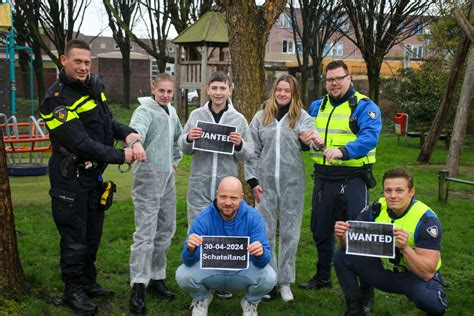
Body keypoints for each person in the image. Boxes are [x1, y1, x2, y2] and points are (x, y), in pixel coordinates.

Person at [39, 39, 145, 314]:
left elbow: (106, 122)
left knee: (92, 234)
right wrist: (120, 155)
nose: (84, 67)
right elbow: (80, 142)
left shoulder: (94, 87)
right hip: (69, 177)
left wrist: (128, 133)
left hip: (93, 175)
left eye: (87, 62)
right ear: (63, 60)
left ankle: (88, 282)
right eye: (78, 61)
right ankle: (73, 290)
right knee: (74, 237)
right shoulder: (56, 100)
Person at [299, 60, 382, 292]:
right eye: (329, 80)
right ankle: (323, 276)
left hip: (353, 178)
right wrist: (303, 141)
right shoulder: (316, 106)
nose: (334, 84)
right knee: (320, 229)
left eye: (339, 78)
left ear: (349, 79)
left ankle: (365, 288)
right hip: (324, 179)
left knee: (358, 233)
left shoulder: (365, 107)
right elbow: (305, 136)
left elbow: (369, 138)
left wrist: (343, 152)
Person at [245, 74, 323, 302]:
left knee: (290, 233)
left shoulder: (302, 117)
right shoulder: (261, 117)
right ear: (274, 91)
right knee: (265, 232)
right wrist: (252, 180)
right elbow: (251, 151)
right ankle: (268, 280)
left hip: (292, 184)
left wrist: (313, 141)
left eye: (287, 91)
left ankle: (285, 281)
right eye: (279, 89)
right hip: (265, 184)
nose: (282, 94)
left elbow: (314, 140)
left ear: (293, 94)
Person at [333, 168, 448, 315]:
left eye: (399, 190)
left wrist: (406, 248)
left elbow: (427, 273)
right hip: (383, 270)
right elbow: (350, 247)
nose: (393, 196)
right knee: (341, 256)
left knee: (434, 304)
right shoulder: (376, 209)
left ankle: (433, 296)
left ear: (411, 192)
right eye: (388, 190)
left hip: (413, 276)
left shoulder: (427, 221)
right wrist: (342, 236)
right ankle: (356, 307)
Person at [175, 177, 276, 316]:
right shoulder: (203, 218)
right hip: (212, 271)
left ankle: (250, 302)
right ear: (217, 194)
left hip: (242, 272)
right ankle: (202, 298)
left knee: (269, 276)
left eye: (233, 198)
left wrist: (261, 252)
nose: (228, 202)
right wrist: (190, 248)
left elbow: (264, 261)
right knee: (182, 274)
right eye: (223, 197)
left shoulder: (254, 218)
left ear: (241, 197)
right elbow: (187, 261)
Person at [128, 73, 183, 314]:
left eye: (169, 91)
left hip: (167, 179)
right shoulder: (144, 111)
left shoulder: (171, 112)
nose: (165, 95)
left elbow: (178, 140)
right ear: (153, 88)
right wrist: (135, 144)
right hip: (148, 179)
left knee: (165, 230)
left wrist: (174, 161)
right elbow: (135, 132)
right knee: (145, 234)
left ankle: (156, 277)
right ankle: (138, 284)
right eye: (161, 90)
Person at [179, 71, 254, 227]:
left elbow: (249, 152)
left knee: (223, 231)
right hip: (199, 186)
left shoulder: (238, 119)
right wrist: (188, 138)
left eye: (222, 88)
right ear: (207, 89)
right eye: (214, 88)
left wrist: (239, 144)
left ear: (230, 90)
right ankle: (196, 253)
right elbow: (183, 147)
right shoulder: (196, 115)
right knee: (197, 229)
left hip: (226, 188)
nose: (218, 93)